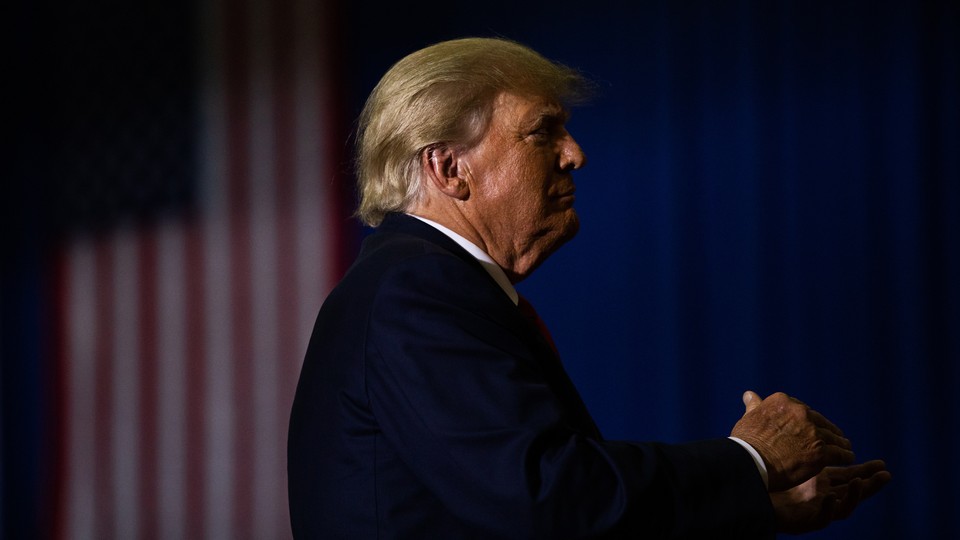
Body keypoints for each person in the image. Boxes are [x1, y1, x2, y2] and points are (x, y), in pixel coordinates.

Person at [287, 37, 889, 538]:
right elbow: (544, 495)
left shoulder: (428, 284)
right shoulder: (416, 290)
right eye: (541, 133)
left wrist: (762, 506)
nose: (575, 154)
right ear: (449, 168)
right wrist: (750, 460)